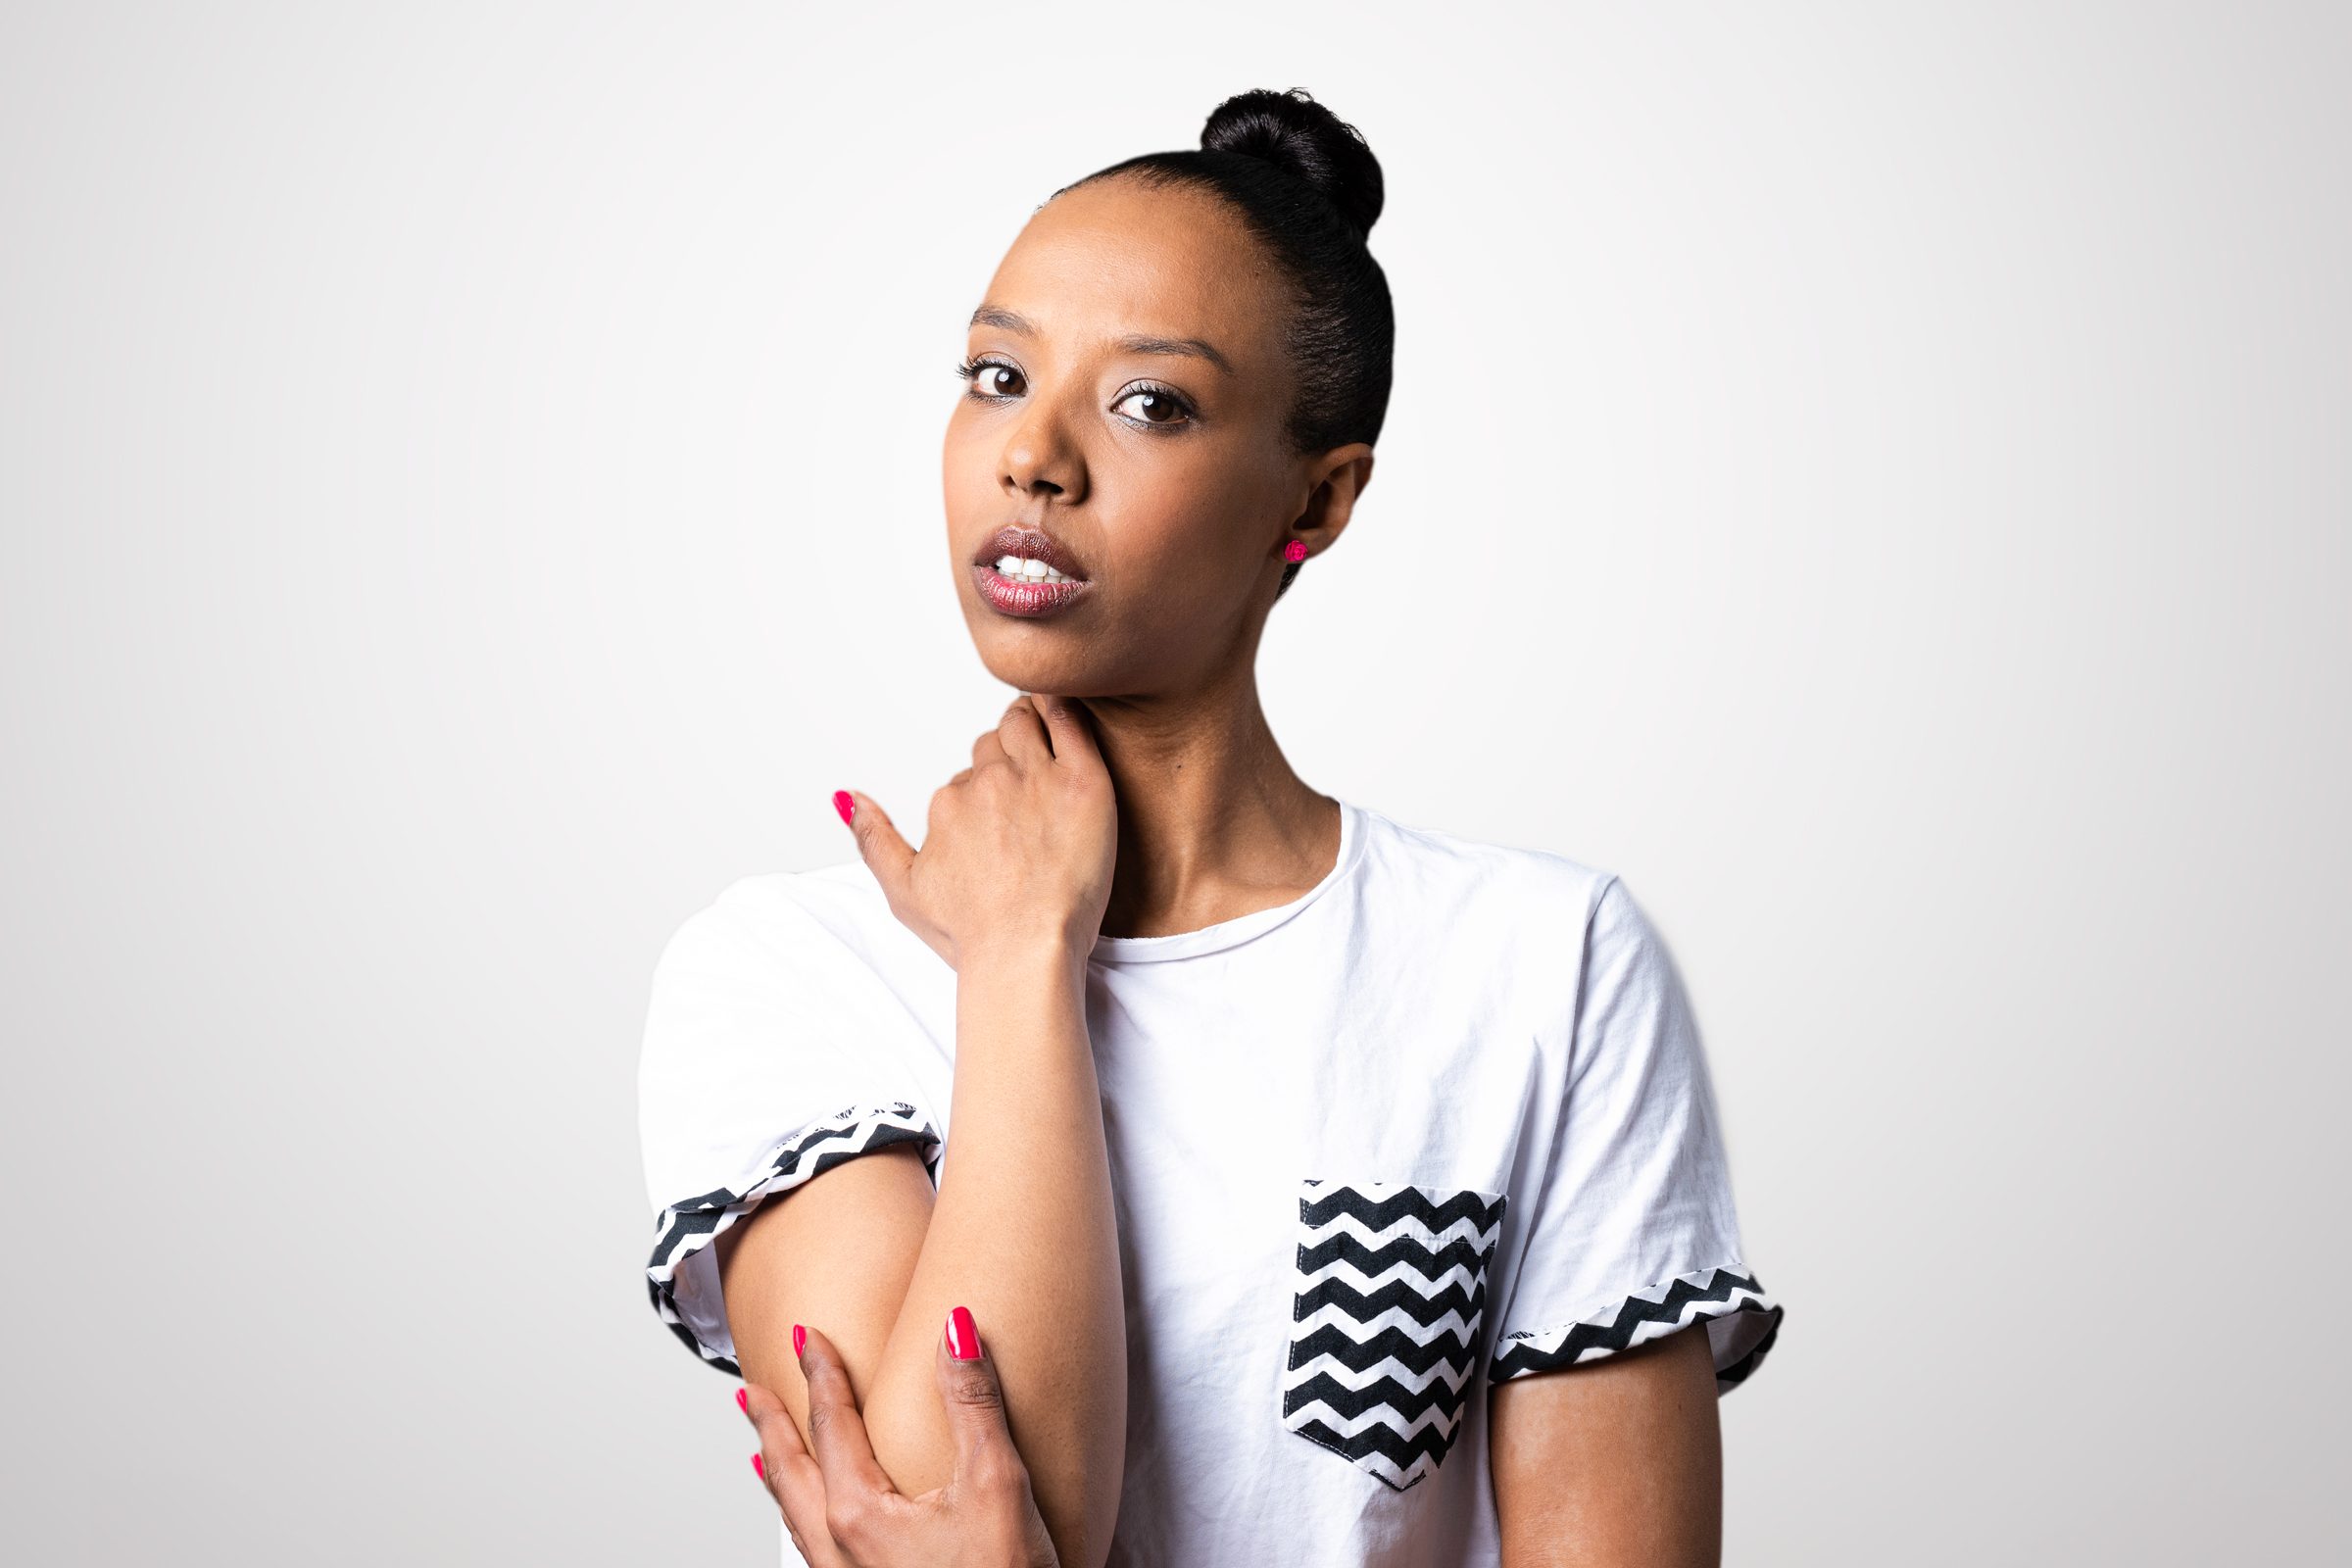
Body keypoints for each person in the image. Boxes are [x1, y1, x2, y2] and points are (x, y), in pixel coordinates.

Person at [638, 86, 1786, 1568]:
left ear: (1316, 497)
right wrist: (1020, 963)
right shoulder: (789, 974)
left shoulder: (1542, 966)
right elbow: (973, 1511)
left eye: (1149, 404)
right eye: (994, 375)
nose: (1032, 457)